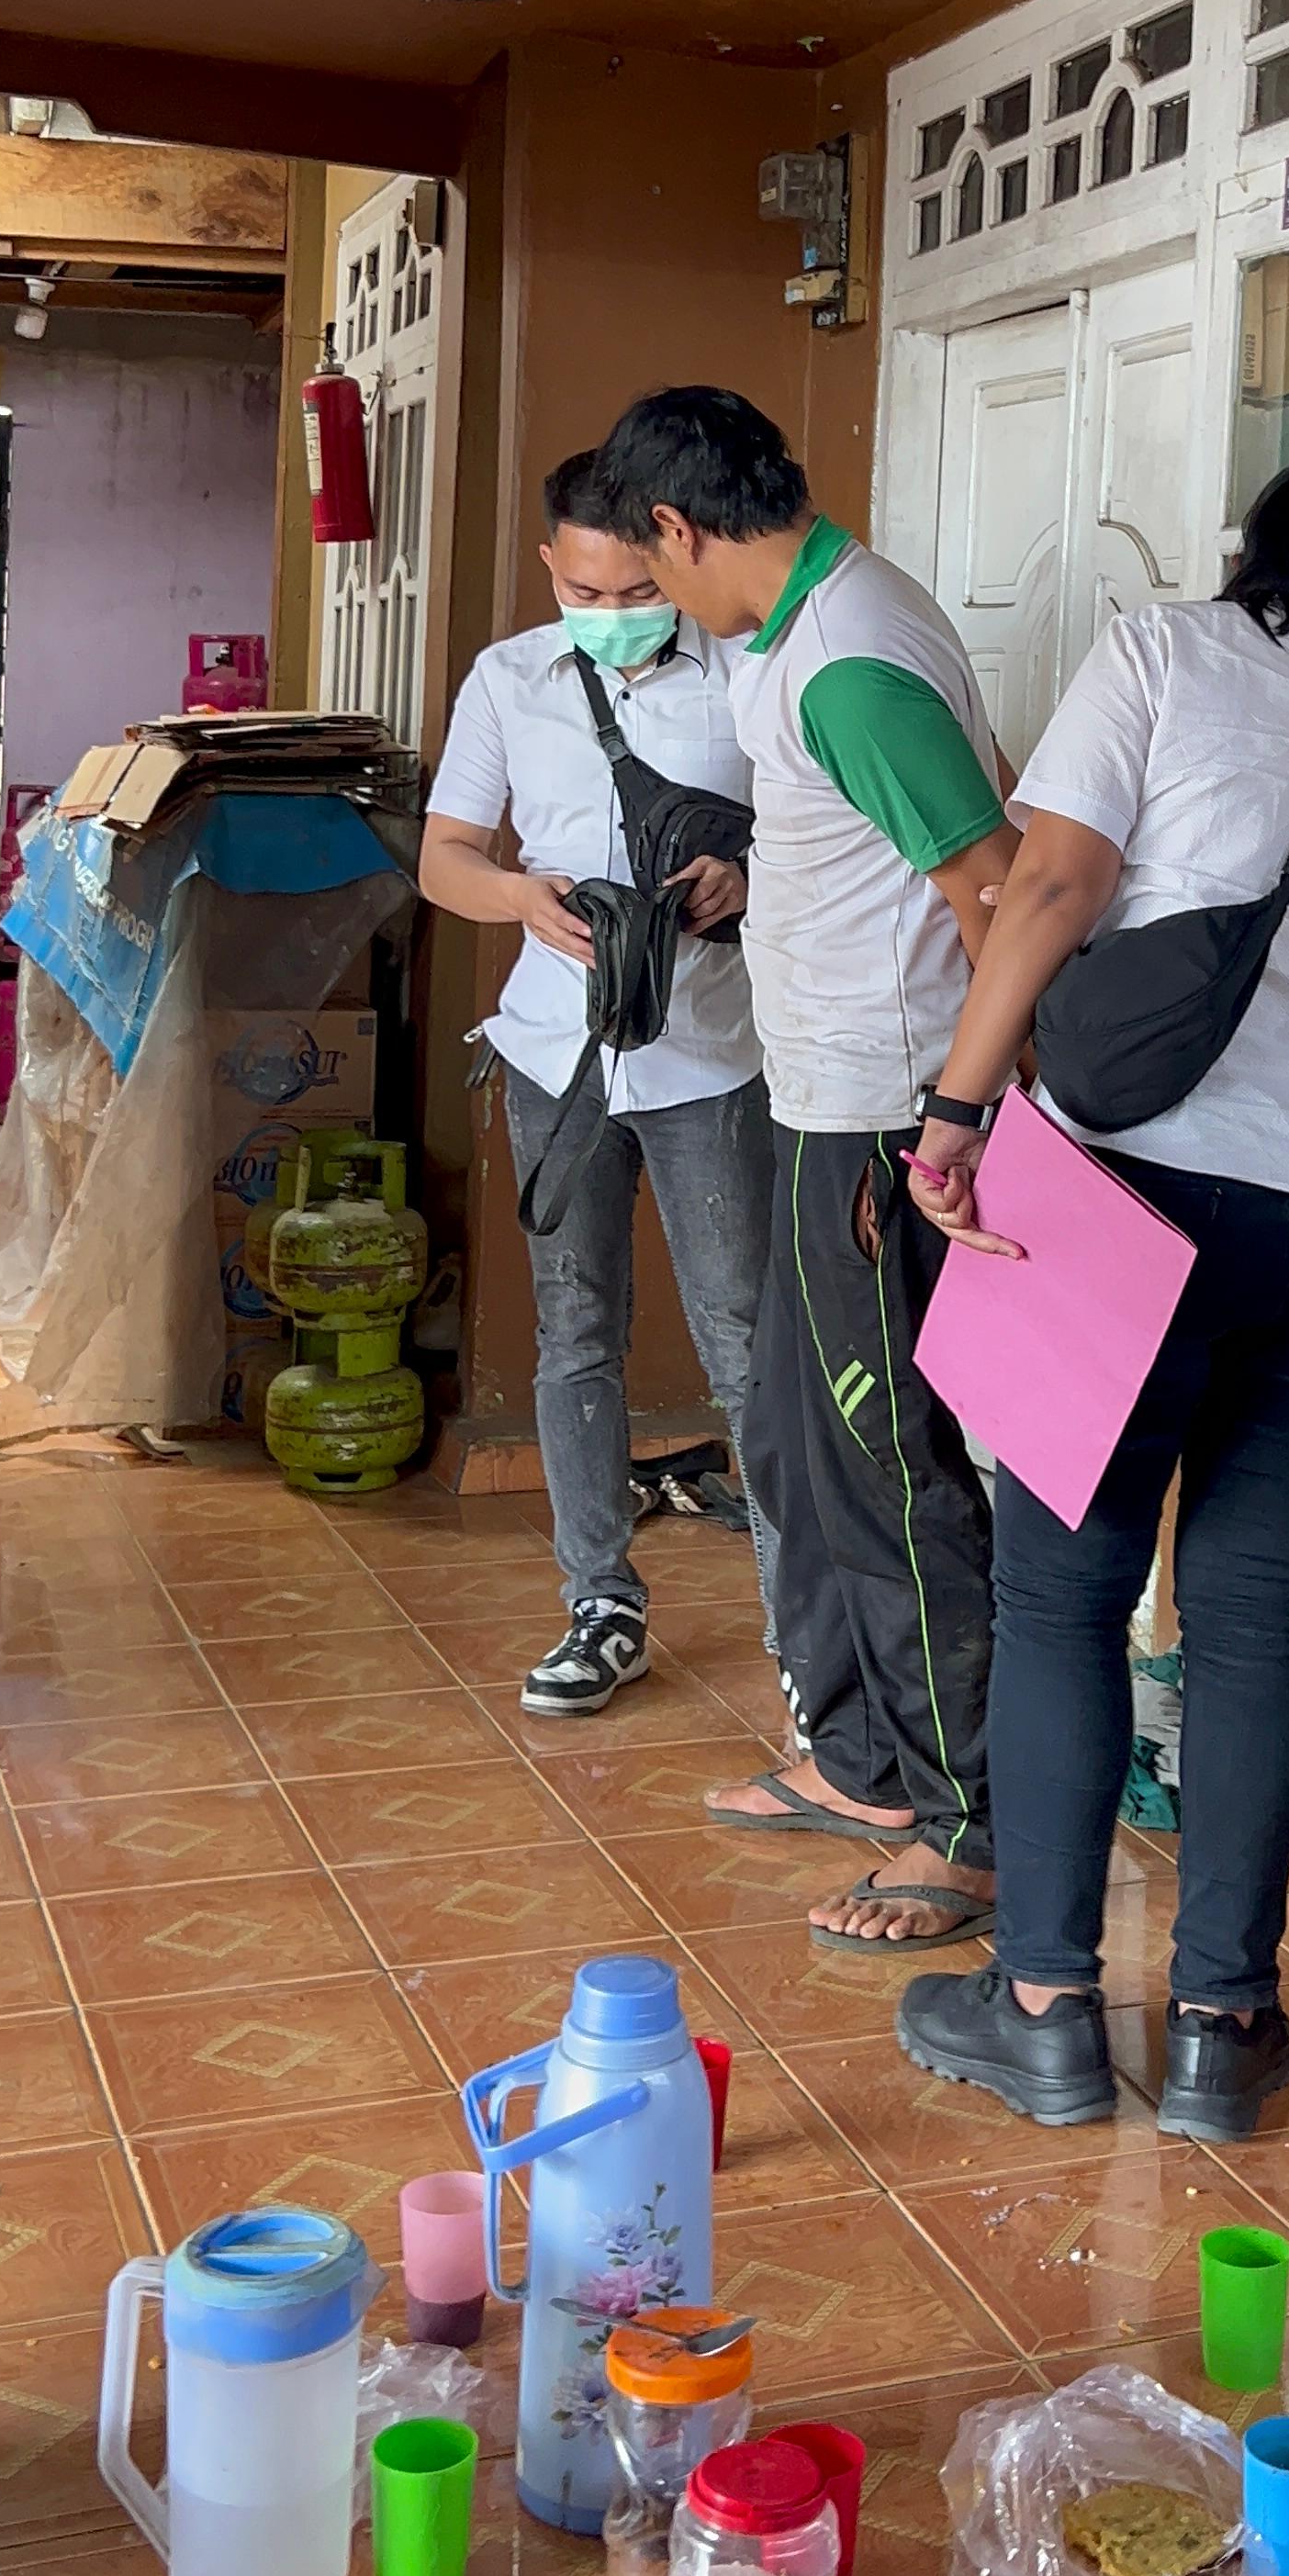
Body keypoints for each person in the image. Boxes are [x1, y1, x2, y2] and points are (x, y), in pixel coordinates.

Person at [892, 458, 1289, 2138]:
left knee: (1064, 1597)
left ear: (1257, 558)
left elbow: (1055, 888)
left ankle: (1045, 2008)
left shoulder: (1166, 650)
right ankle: (1225, 2028)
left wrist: (955, 1113)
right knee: (1256, 1621)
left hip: (1128, 1194)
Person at [591, 385, 1018, 1945]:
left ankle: (961, 1820)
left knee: (885, 1461)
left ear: (684, 531)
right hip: (818, 1094)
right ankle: (860, 1761)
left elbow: (992, 879)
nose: (657, 610)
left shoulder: (844, 658)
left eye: (652, 580)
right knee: (790, 1431)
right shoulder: (814, 633)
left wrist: (972, 1100)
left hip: (886, 1116)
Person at [420, 448, 776, 1717]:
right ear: (548, 567)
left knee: (745, 1341)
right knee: (577, 1334)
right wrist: (523, 897)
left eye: (635, 589)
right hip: (552, 1056)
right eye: (584, 587)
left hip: (709, 1059)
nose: (610, 611)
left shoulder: (749, 673)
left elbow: (825, 839)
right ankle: (600, 1604)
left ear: (678, 560)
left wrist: (746, 881)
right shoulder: (508, 680)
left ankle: (802, 1647)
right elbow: (445, 858)